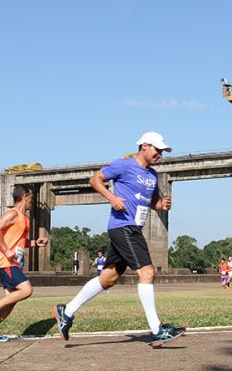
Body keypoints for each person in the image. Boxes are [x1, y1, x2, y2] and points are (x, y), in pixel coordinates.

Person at [53, 131, 185, 347]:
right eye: (157, 149)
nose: (160, 154)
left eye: (162, 151)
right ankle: (156, 330)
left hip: (133, 228)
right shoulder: (124, 165)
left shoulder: (153, 176)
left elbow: (153, 203)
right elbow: (95, 179)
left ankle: (66, 312)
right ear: (144, 146)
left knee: (109, 278)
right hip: (123, 226)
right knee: (147, 272)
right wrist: (111, 197)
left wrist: (162, 205)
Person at [0, 184, 48, 341]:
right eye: (31, 198)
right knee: (26, 290)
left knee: (10, 302)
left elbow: (19, 242)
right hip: (6, 261)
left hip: (13, 262)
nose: (32, 201)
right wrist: (6, 250)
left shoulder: (24, 218)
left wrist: (35, 243)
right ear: (25, 196)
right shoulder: (13, 213)